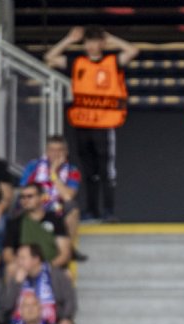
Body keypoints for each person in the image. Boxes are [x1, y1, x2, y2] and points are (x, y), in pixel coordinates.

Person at [44, 26, 137, 223]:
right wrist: (69, 40)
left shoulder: (112, 62)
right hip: (83, 124)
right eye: (89, 42)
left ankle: (109, 211)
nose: (92, 46)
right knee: (88, 171)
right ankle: (92, 210)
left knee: (106, 170)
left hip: (104, 124)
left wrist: (112, 37)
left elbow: (132, 51)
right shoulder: (77, 63)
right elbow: (50, 57)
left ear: (102, 43)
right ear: (84, 44)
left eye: (96, 41)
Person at [20, 135, 84, 251]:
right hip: (36, 204)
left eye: (60, 150)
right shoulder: (33, 166)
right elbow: (24, 191)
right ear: (46, 152)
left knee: (73, 209)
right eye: (52, 150)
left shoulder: (72, 170)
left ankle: (68, 250)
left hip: (58, 207)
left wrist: (53, 174)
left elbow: (68, 196)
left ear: (66, 152)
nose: (56, 154)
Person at [3, 182, 72, 268]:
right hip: (24, 269)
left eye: (30, 196)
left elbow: (65, 254)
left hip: (52, 268)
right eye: (22, 197)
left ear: (40, 197)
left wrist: (45, 269)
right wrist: (22, 267)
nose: (25, 200)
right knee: (10, 269)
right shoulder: (14, 223)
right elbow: (7, 253)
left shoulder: (55, 219)